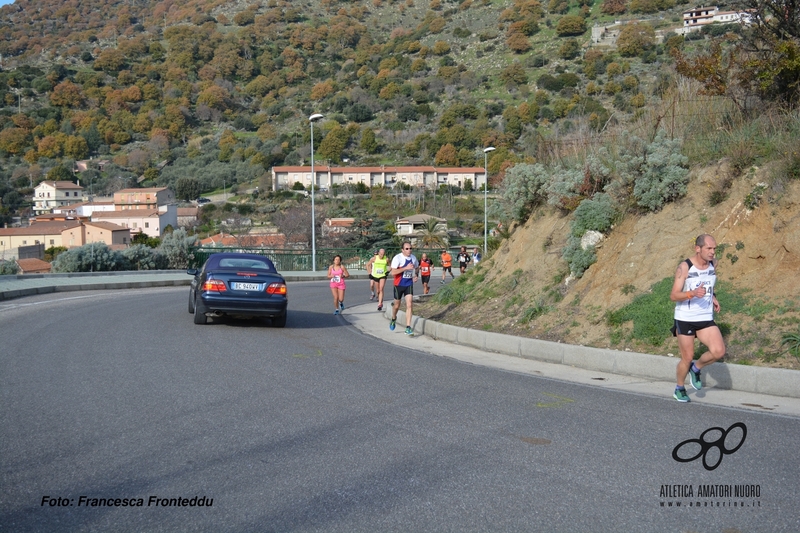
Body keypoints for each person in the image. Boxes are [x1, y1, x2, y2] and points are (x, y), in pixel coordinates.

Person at [669, 234, 727, 402]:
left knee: (719, 351)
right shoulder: (685, 267)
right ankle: (679, 388)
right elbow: (674, 295)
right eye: (709, 248)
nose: (712, 252)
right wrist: (692, 293)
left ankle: (697, 368)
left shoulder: (713, 264)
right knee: (686, 357)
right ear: (697, 248)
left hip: (705, 317)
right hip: (685, 318)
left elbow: (709, 283)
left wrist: (713, 296)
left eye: (714, 248)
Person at [390, 241, 419, 336]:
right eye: (407, 248)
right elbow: (393, 272)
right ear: (402, 250)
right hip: (398, 285)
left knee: (409, 304)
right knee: (397, 306)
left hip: (408, 284)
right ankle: (394, 318)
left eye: (410, 248)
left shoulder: (413, 258)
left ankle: (408, 327)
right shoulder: (397, 258)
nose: (409, 250)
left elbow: (417, 267)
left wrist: (415, 275)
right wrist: (405, 268)